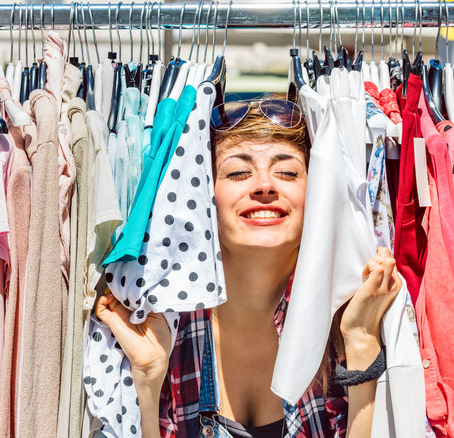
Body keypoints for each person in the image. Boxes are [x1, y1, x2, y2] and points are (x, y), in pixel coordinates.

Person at [95, 98, 402, 437]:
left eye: (286, 172)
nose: (265, 185)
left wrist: (360, 343)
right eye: (238, 172)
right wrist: (149, 382)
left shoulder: (355, 317)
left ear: (316, 194)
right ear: (202, 196)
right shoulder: (162, 325)